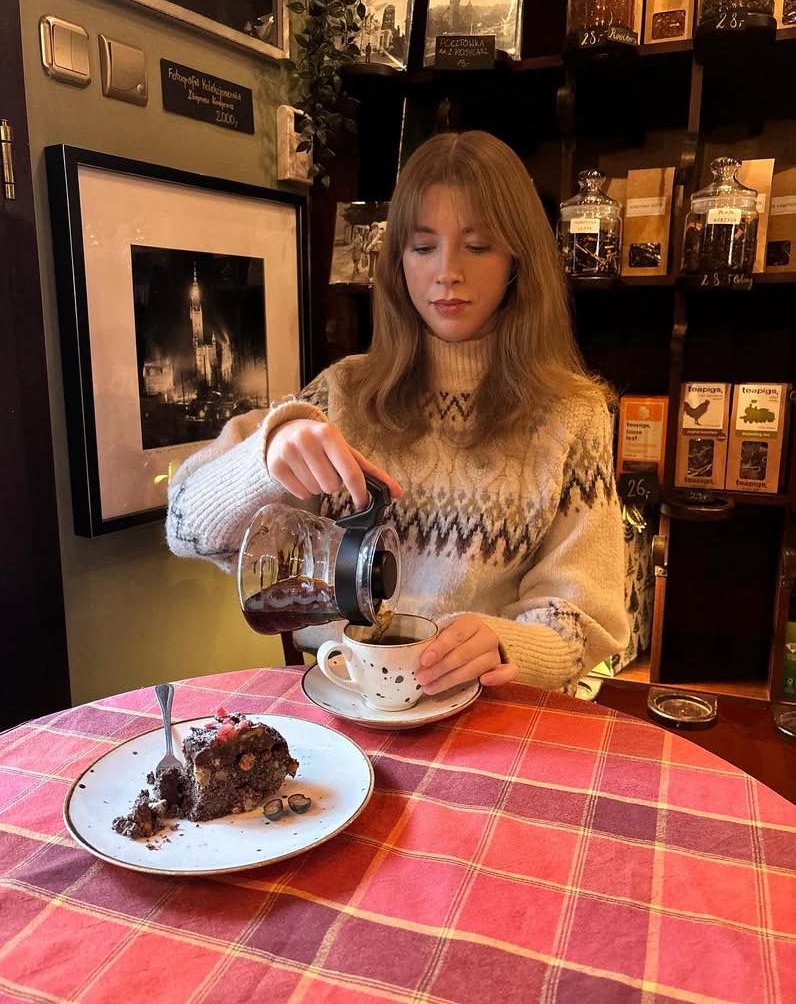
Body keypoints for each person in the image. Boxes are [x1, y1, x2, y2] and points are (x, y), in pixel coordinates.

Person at [166, 131, 628, 696]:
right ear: (397, 261)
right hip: (342, 701)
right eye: (423, 247)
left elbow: (587, 620)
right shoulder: (342, 394)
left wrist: (506, 642)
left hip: (487, 710)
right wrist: (267, 456)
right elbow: (186, 528)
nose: (447, 272)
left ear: (518, 259)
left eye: (478, 246)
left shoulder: (573, 415)